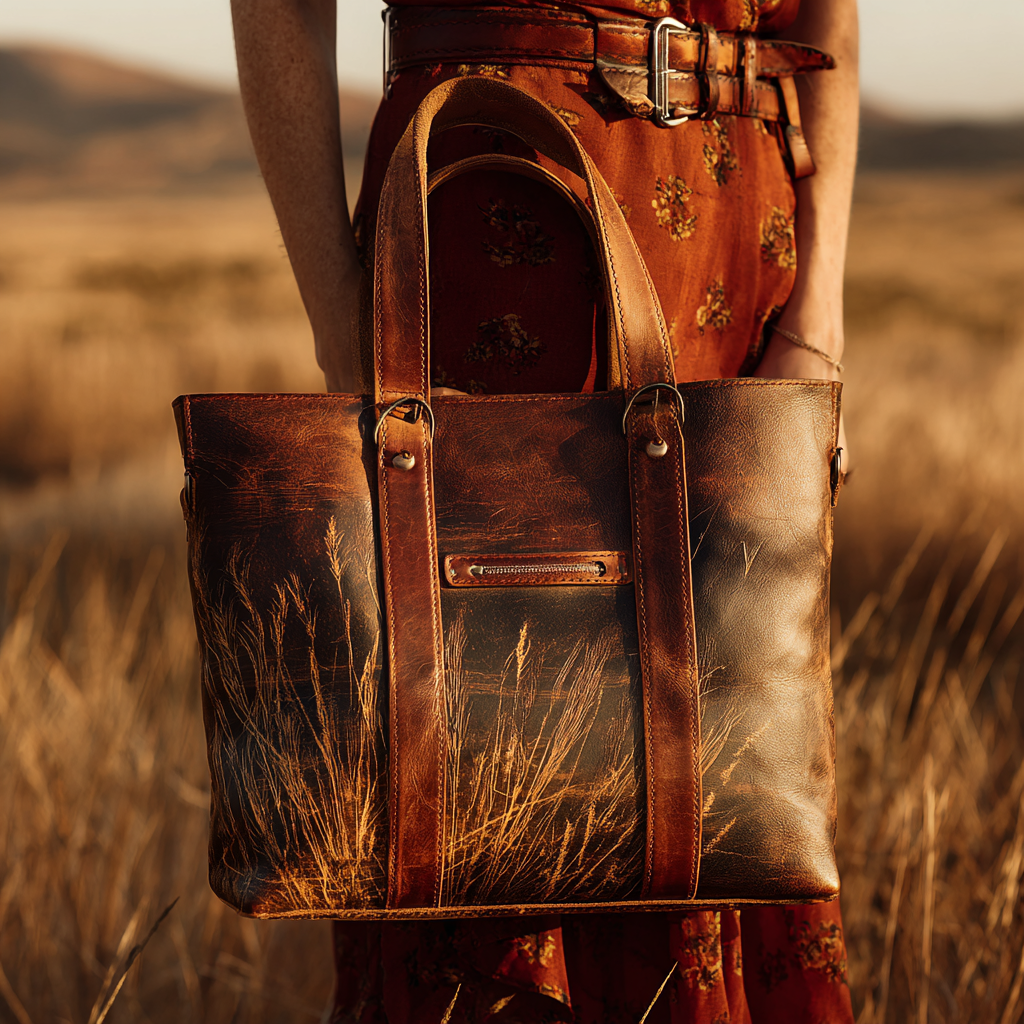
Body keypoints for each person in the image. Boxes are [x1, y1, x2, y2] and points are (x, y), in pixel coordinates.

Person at [230, 0, 858, 1021]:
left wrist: (819, 306)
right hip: (499, 201)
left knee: (735, 754)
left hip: (746, 225)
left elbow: (833, 15)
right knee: (483, 724)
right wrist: (342, 321)